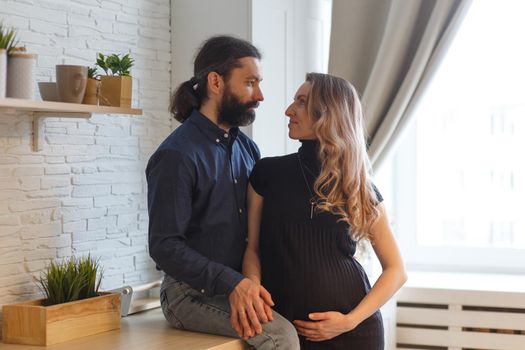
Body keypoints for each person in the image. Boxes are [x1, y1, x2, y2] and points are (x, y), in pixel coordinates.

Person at [146, 35, 300, 349]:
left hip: (239, 286)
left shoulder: (247, 148)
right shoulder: (176, 156)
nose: (260, 95)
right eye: (250, 83)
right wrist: (233, 283)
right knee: (281, 337)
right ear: (216, 82)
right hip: (188, 295)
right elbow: (164, 246)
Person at [243, 73, 407, 349]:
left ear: (328, 114)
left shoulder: (356, 185)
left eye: (302, 102)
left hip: (354, 334)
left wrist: (349, 321)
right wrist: (253, 286)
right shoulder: (268, 173)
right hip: (289, 332)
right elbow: (252, 249)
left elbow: (396, 271)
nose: (288, 110)